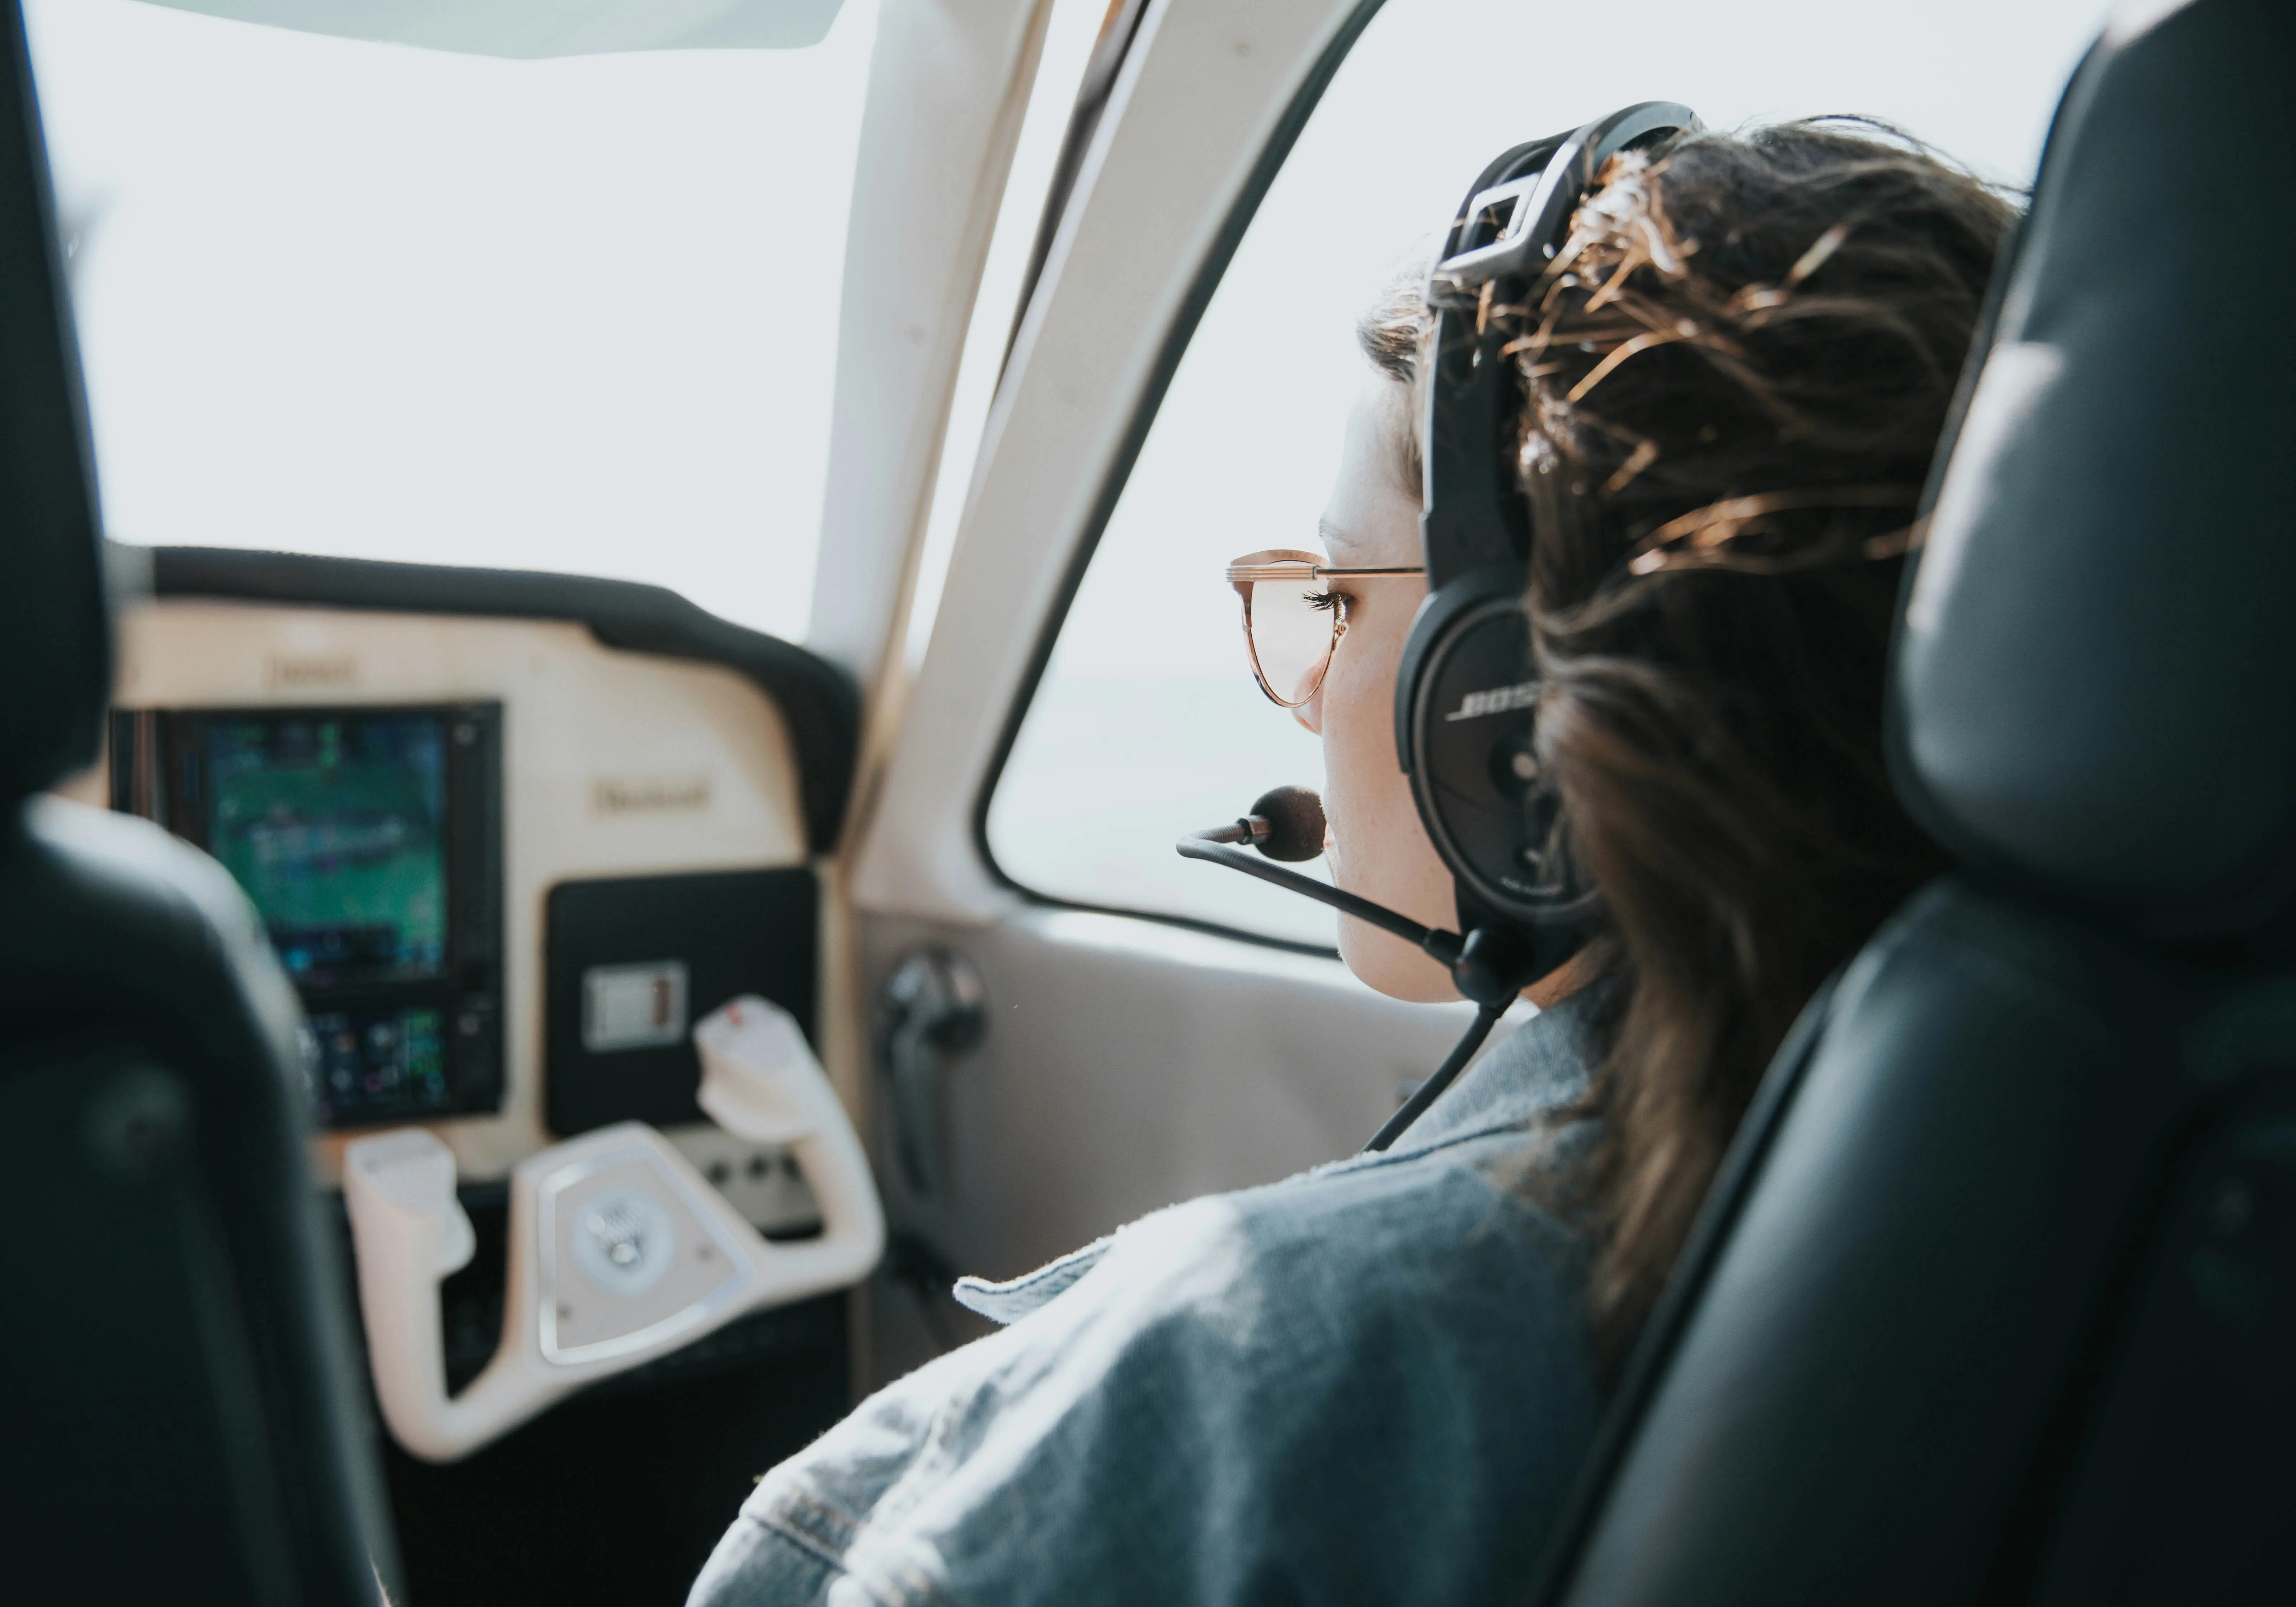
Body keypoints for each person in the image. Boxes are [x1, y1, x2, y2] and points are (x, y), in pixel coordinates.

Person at [689, 117, 2012, 1606]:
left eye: (1335, 593)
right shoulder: (2066, 1191)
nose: (1311, 686)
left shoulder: (1238, 1381)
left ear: (1506, 695)